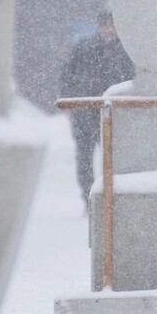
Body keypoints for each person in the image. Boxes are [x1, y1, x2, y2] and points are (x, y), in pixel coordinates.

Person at [59, 11, 135, 205]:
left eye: (112, 25)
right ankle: (89, 199)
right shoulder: (84, 48)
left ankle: (111, 198)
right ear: (99, 26)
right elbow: (67, 74)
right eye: (105, 25)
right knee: (84, 158)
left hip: (113, 112)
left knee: (113, 158)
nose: (109, 29)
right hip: (85, 111)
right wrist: (69, 102)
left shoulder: (127, 50)